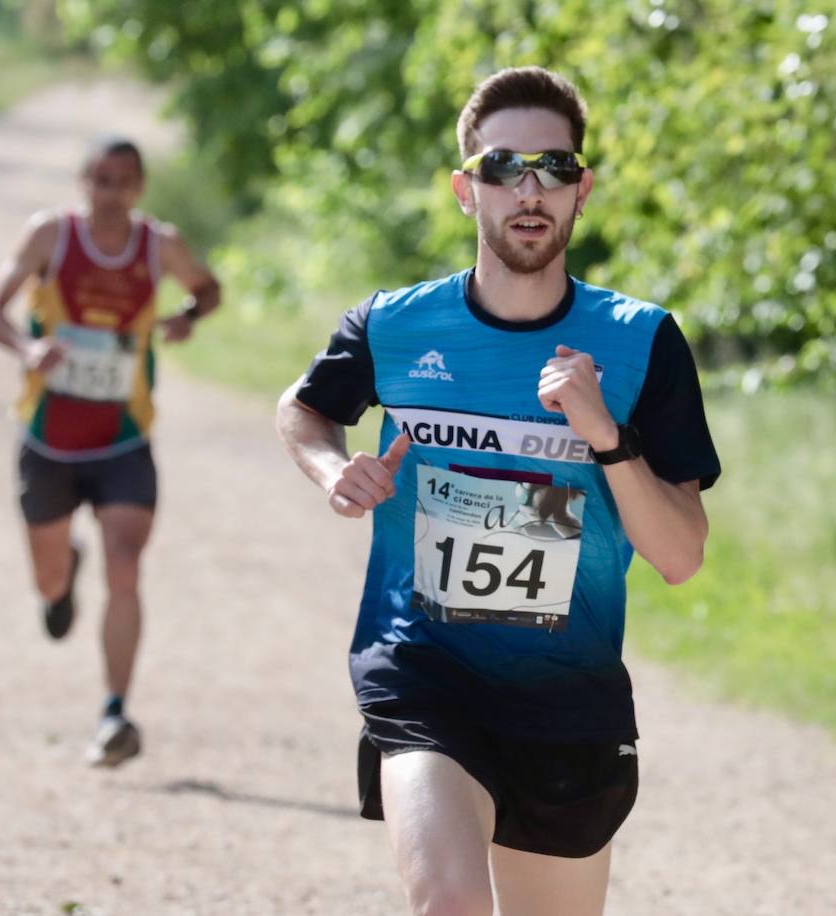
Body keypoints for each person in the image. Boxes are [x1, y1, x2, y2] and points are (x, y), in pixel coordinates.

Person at [277, 67, 720, 914]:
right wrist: (337, 470)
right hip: (424, 671)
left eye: (554, 169)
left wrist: (605, 438)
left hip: (569, 700)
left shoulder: (642, 343)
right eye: (502, 166)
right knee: (450, 903)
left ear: (582, 190)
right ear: (463, 189)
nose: (529, 189)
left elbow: (681, 556)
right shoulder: (396, 326)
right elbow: (302, 412)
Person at [0, 137, 220, 767]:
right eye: (101, 181)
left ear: (139, 188)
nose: (112, 193)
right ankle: (61, 585)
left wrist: (189, 314)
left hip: (123, 439)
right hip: (48, 438)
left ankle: (115, 712)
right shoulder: (50, 237)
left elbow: (208, 287)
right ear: (83, 182)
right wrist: (29, 351)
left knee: (127, 566)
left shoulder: (158, 244)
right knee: (49, 575)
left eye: (124, 182)